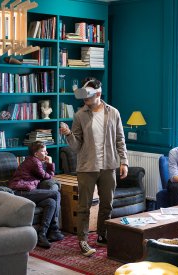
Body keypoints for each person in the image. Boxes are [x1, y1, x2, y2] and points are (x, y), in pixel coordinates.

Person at [59, 77, 128, 257]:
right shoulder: (80, 115)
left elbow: (120, 139)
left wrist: (124, 161)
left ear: (98, 94)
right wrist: (68, 134)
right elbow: (76, 146)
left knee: (107, 205)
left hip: (108, 165)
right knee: (84, 206)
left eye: (87, 97)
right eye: (82, 97)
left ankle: (102, 235)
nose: (84, 100)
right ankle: (82, 240)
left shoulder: (113, 113)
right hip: (87, 167)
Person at [8, 141, 63, 249]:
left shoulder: (34, 161)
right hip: (21, 192)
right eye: (43, 151)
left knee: (50, 202)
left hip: (27, 190)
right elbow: (47, 176)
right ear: (35, 154)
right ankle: (54, 229)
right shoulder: (34, 162)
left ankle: (42, 234)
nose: (46, 152)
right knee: (56, 194)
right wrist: (50, 163)